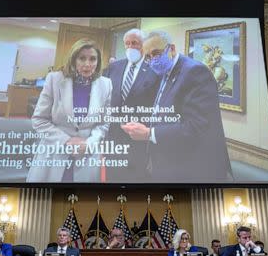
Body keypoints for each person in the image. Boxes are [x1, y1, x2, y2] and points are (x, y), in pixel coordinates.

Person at [121, 30, 233, 182]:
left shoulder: (194, 71)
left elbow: (195, 126)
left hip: (193, 170)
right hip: (168, 161)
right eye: (148, 56)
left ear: (171, 49)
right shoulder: (165, 72)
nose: (152, 60)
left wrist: (149, 133)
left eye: (156, 53)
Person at [26, 38, 112, 182]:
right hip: (54, 154)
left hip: (86, 155)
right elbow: (39, 120)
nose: (87, 64)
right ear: (73, 60)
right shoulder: (55, 79)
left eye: (92, 59)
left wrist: (90, 143)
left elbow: (104, 123)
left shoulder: (106, 84)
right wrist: (66, 141)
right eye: (82, 58)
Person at [103, 28, 160, 182]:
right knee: (112, 175)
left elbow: (158, 103)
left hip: (138, 136)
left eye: (134, 43)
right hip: (113, 135)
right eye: (127, 43)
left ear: (144, 45)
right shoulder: (114, 67)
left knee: (135, 178)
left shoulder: (155, 69)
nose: (130, 47)